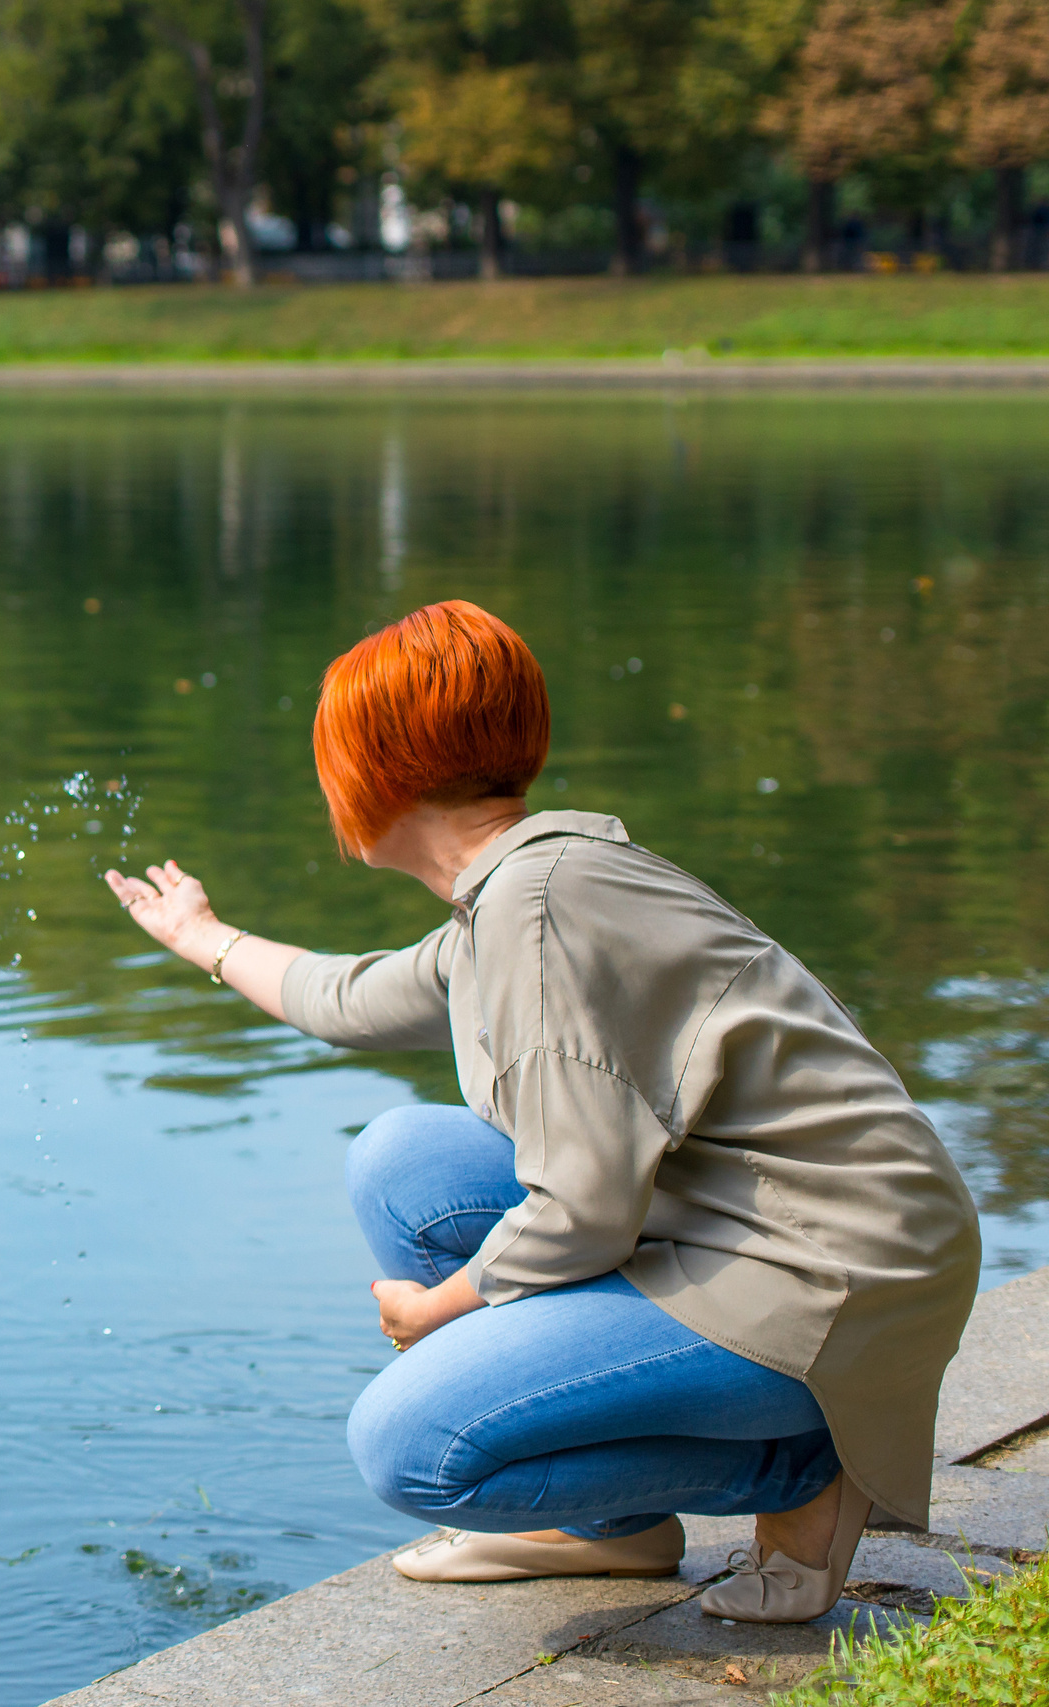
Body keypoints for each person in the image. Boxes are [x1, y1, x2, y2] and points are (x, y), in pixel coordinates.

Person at [104, 600, 979, 1624]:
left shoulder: (540, 914)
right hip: (746, 1223)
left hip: (832, 1268)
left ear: (376, 774)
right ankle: (609, 1530)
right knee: (403, 1160)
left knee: (409, 1446)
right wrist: (201, 935)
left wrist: (439, 1310)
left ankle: (801, 1469)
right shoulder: (516, 892)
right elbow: (343, 999)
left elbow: (584, 1211)